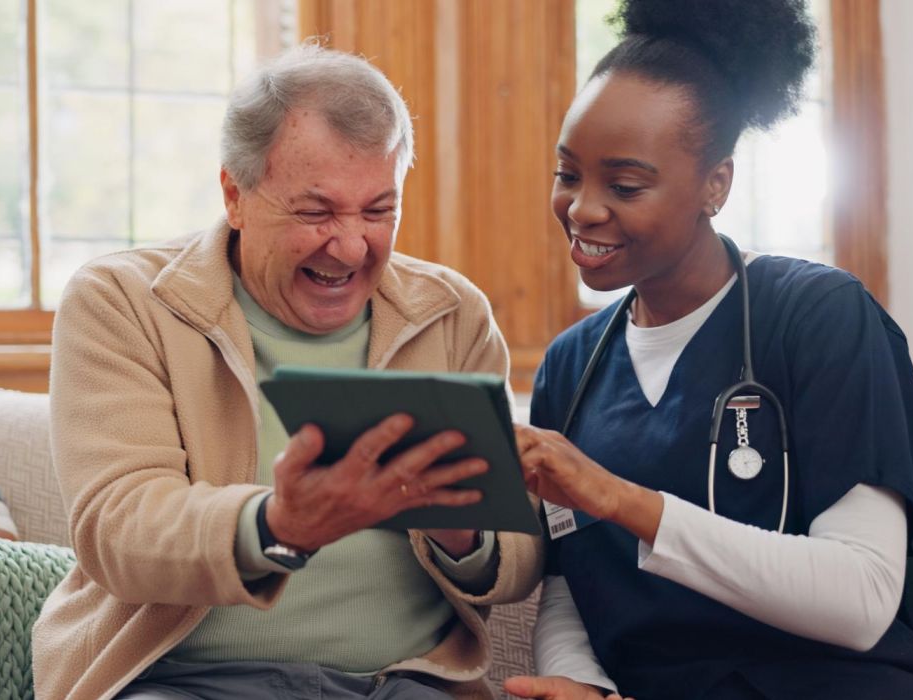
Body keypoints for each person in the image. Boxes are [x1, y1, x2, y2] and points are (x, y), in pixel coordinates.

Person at [32, 45, 542, 700]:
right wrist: (276, 525)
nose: (351, 246)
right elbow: (118, 530)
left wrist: (461, 528)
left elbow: (520, 555)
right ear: (235, 196)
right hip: (181, 681)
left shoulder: (451, 315)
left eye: (378, 210)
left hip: (400, 685)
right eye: (315, 212)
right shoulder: (123, 301)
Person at [504, 1, 913, 698]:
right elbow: (569, 581)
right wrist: (581, 683)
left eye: (625, 185)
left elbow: (862, 598)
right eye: (568, 174)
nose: (582, 208)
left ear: (716, 184)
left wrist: (620, 499)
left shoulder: (818, 316)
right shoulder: (571, 365)